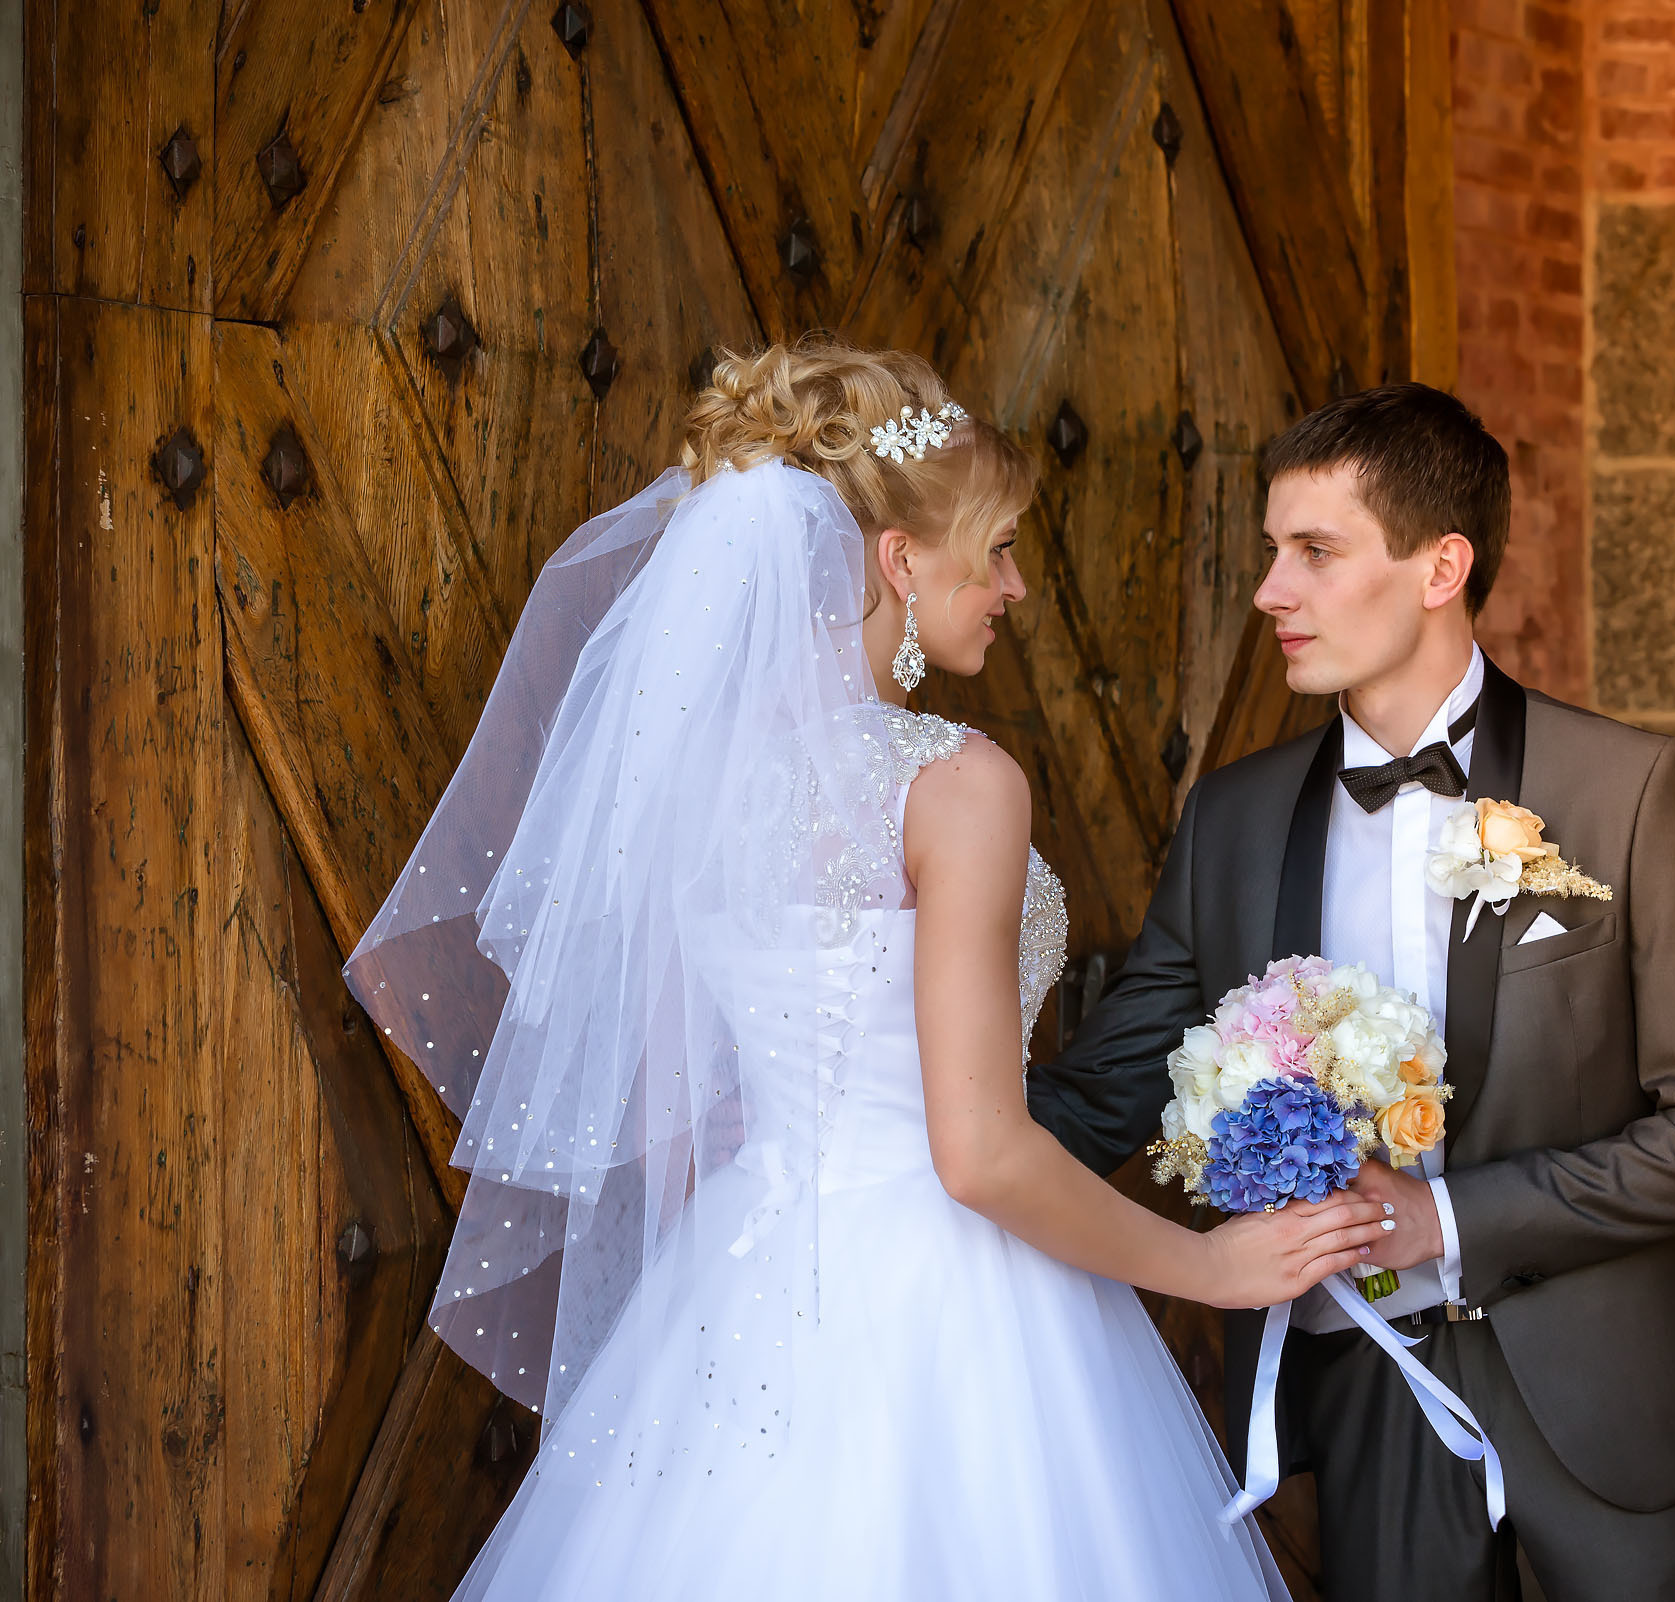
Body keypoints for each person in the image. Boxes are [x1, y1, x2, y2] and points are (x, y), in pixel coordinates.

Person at [344, 339, 1387, 1601]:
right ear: (900, 561)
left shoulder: (697, 791)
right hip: (953, 1293)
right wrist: (1212, 1267)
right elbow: (982, 1155)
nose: (1012, 587)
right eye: (995, 549)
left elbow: (689, 1120)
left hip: (742, 1290)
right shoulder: (954, 785)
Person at [1028, 383, 1675, 1601]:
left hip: (1609, 1397)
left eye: (1315, 553)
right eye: (1273, 553)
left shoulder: (1626, 789)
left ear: (1442, 567)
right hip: (1361, 1378)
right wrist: (890, 1127)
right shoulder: (1231, 819)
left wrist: (1453, 1220)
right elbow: (1106, 1092)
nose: (1272, 591)